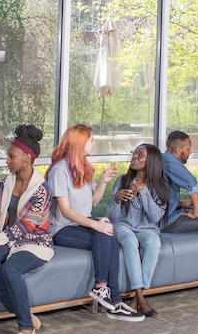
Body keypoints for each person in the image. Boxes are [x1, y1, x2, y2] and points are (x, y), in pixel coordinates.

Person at [46, 124, 142, 321]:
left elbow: (94, 201)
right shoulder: (59, 170)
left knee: (108, 234)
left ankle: (114, 301)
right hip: (62, 228)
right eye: (91, 140)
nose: (94, 143)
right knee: (104, 231)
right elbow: (65, 211)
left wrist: (103, 182)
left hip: (82, 223)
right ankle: (103, 289)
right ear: (79, 143)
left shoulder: (83, 167)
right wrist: (95, 224)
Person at [0, 125, 53, 334]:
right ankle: (20, 310)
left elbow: (25, 228)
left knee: (10, 268)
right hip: (8, 239)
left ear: (27, 158)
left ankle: (26, 327)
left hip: (35, 243)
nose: (7, 160)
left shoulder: (42, 190)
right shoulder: (6, 182)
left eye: (11, 156)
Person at [107, 144, 169, 318]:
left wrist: (144, 192)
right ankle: (141, 297)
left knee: (154, 241)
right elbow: (112, 217)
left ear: (151, 161)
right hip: (123, 226)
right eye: (134, 154)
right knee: (129, 240)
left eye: (140, 155)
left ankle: (136, 298)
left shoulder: (161, 185)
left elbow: (155, 217)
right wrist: (117, 200)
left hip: (147, 228)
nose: (134, 157)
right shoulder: (122, 180)